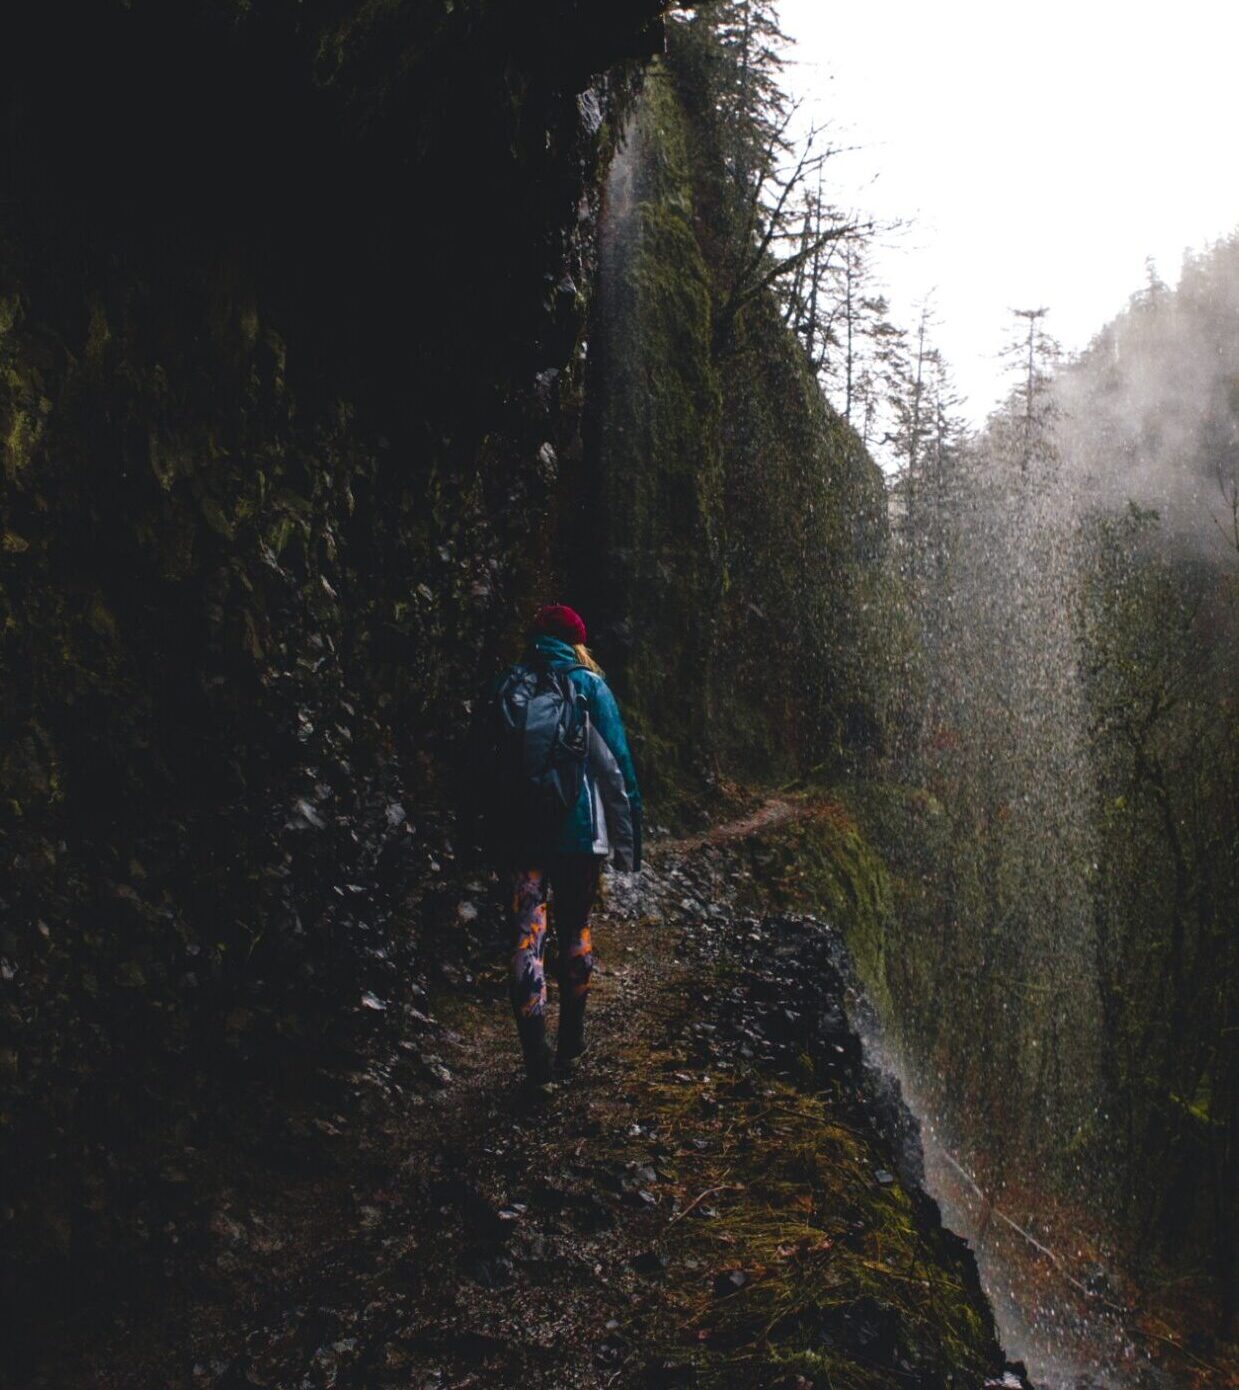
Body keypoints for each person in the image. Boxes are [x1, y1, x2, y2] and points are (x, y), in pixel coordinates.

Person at [488, 603, 642, 1093]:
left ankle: (536, 1060)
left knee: (527, 933)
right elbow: (615, 770)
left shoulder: (507, 686)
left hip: (521, 833)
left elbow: (481, 768)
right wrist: (626, 841)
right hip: (579, 835)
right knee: (575, 927)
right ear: (578, 643)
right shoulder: (589, 686)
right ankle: (571, 1041)